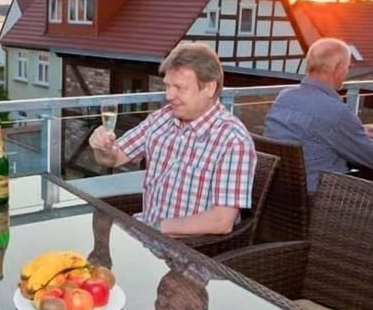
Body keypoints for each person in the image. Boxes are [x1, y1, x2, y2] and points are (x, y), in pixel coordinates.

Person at [89, 42, 256, 236]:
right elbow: (114, 158)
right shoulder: (162, 118)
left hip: (190, 248)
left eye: (179, 87)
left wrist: (154, 228)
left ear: (210, 88)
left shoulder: (233, 141)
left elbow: (221, 221)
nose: (169, 95)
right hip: (147, 235)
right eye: (167, 86)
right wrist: (102, 147)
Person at [264, 37, 373, 192]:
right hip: (323, 199)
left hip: (279, 194)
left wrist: (355, 132)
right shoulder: (336, 112)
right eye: (347, 68)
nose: (347, 72)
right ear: (339, 69)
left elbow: (314, 134)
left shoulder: (284, 97)